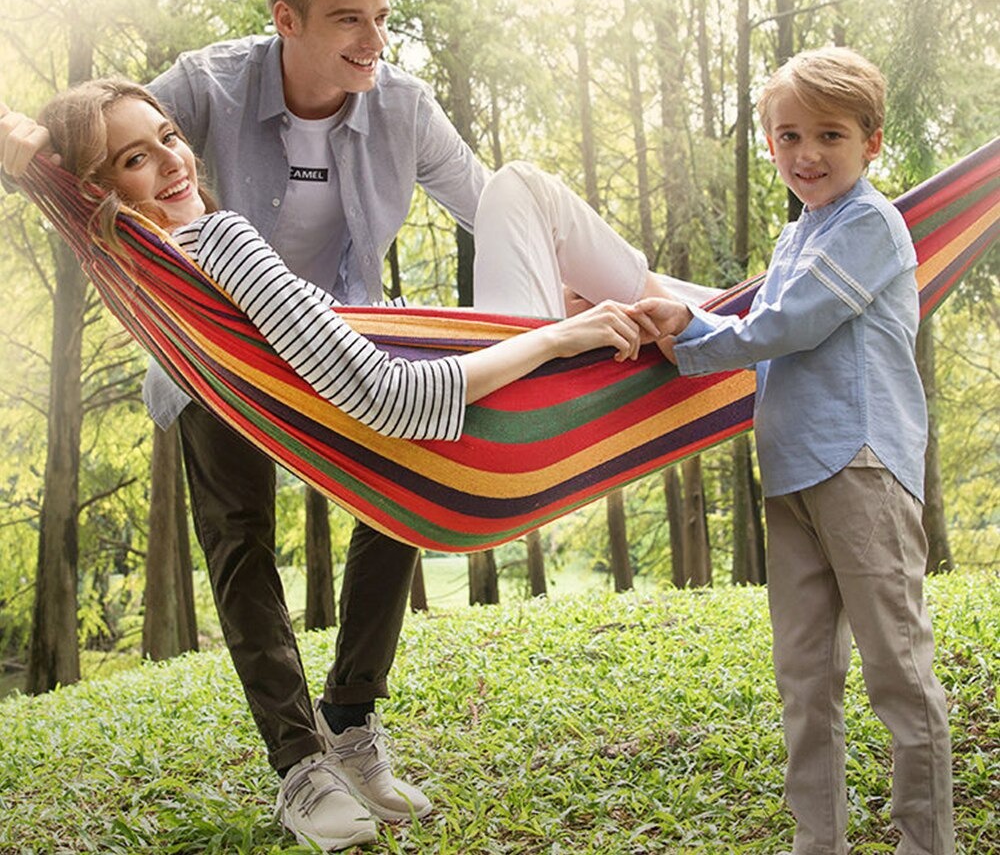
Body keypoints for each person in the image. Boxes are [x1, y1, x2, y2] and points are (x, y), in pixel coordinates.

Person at [4, 73, 690, 850]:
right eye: (135, 159)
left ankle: (713, 316)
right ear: (101, 191)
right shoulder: (210, 241)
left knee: (519, 206)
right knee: (521, 189)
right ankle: (718, 320)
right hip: (466, 422)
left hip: (450, 409)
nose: (171, 162)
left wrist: (29, 169)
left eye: (167, 136)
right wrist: (564, 337)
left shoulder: (133, 266)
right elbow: (392, 400)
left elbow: (357, 361)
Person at [637, 47, 954, 855]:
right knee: (805, 679)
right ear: (769, 145)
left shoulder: (873, 226)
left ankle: (927, 841)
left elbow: (789, 325)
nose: (807, 154)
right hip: (792, 474)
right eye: (788, 137)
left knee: (897, 673)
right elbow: (748, 314)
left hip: (863, 467)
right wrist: (656, 307)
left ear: (871, 143)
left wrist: (692, 339)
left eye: (830, 135)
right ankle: (821, 842)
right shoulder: (794, 239)